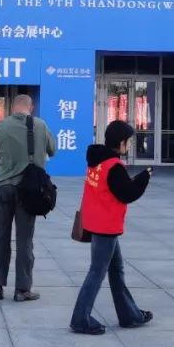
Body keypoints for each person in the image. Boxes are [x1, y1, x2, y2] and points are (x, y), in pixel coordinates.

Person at [70, 121, 154, 335]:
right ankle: (80, 319)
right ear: (121, 142)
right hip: (105, 226)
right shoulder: (114, 166)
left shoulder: (98, 161)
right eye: (129, 141)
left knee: (116, 271)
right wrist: (144, 178)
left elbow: (116, 189)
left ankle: (129, 315)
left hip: (97, 222)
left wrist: (137, 179)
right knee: (97, 272)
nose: (130, 145)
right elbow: (127, 193)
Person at [0, 94, 56, 302]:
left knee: (1, 236)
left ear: (12, 107)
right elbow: (52, 149)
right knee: (25, 240)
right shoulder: (40, 125)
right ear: (30, 107)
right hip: (29, 190)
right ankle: (22, 290)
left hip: (4, 187)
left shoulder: (1, 125)